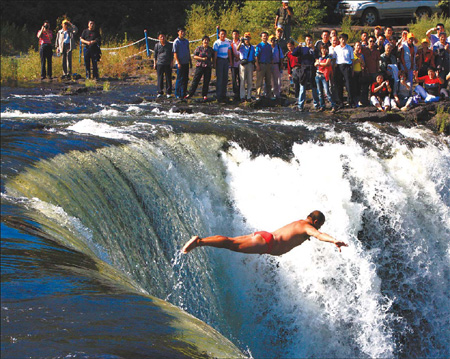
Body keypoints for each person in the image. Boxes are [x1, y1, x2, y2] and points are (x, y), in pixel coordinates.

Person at [181, 210, 348, 256]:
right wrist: (333, 240)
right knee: (229, 244)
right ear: (316, 222)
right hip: (267, 243)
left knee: (230, 242)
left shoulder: (300, 222)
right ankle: (200, 242)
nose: (318, 229)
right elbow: (319, 235)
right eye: (319, 226)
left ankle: (201, 242)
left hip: (265, 238)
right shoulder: (307, 228)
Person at [292, 34, 320, 111]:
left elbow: (318, 56)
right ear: (305, 40)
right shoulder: (302, 49)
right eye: (307, 40)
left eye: (310, 40)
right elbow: (293, 53)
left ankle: (316, 104)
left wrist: (314, 49)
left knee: (314, 87)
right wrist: (298, 47)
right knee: (302, 86)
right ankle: (300, 105)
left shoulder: (314, 49)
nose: (308, 41)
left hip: (312, 68)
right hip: (304, 69)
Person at [186, 35, 214, 100]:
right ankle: (190, 93)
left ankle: (204, 94)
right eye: (205, 40)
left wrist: (213, 64)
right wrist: (202, 58)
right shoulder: (199, 48)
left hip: (208, 66)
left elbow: (213, 57)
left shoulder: (210, 49)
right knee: (196, 80)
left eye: (207, 40)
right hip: (200, 65)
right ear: (202, 41)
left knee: (206, 81)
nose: (206, 41)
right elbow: (194, 56)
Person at [333, 33, 354, 108]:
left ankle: (350, 102)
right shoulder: (336, 48)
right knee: (339, 85)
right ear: (339, 39)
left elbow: (352, 60)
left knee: (348, 85)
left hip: (347, 66)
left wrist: (352, 69)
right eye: (341, 38)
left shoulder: (350, 48)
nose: (343, 40)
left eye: (344, 38)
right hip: (339, 66)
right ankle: (340, 102)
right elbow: (334, 59)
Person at [213, 29, 233, 103]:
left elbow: (229, 52)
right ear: (219, 35)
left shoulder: (227, 42)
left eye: (224, 34)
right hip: (220, 60)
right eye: (221, 34)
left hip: (225, 60)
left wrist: (230, 61)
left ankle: (224, 94)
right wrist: (214, 63)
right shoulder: (217, 43)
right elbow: (215, 53)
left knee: (225, 78)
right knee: (220, 78)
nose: (223, 35)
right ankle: (219, 95)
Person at [315, 44, 336, 112]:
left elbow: (327, 63)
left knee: (327, 92)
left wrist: (319, 63)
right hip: (318, 75)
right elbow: (315, 63)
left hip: (324, 75)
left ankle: (333, 105)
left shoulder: (329, 56)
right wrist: (319, 63)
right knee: (320, 92)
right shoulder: (319, 56)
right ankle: (322, 106)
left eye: (325, 49)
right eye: (322, 49)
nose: (323, 50)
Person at [173, 27, 192, 99]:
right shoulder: (176, 41)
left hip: (186, 62)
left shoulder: (186, 41)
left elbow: (188, 51)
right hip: (179, 63)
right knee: (179, 78)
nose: (182, 33)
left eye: (183, 31)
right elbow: (175, 53)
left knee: (185, 78)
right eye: (181, 32)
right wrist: (178, 62)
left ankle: (183, 93)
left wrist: (190, 61)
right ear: (178, 32)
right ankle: (177, 93)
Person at [361, 35, 381, 105]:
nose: (372, 43)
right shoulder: (364, 50)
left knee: (373, 87)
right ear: (368, 42)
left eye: (373, 41)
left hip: (374, 71)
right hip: (366, 72)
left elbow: (378, 62)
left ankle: (373, 101)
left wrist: (378, 71)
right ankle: (364, 101)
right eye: (370, 41)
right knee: (365, 88)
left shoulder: (377, 52)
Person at [153, 31, 173, 98]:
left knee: (168, 78)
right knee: (160, 78)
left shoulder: (170, 45)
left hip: (167, 63)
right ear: (158, 38)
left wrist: (171, 62)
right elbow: (155, 55)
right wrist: (154, 63)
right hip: (159, 63)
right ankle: (160, 92)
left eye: (163, 36)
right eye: (161, 36)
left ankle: (168, 92)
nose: (162, 37)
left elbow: (172, 55)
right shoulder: (157, 45)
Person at [255, 31, 274, 100]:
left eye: (266, 36)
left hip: (268, 65)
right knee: (259, 81)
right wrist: (257, 65)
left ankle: (268, 95)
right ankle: (257, 95)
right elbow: (256, 56)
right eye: (263, 36)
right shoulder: (259, 46)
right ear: (261, 37)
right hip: (261, 64)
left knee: (268, 81)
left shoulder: (269, 46)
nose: (265, 37)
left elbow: (271, 55)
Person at [237, 32, 255, 102]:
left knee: (250, 81)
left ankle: (249, 96)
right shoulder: (241, 46)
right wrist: (240, 42)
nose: (247, 39)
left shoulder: (252, 47)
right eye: (246, 38)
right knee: (242, 80)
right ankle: (242, 96)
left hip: (250, 64)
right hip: (243, 64)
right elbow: (237, 49)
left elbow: (254, 56)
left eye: (248, 38)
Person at [270, 34, 284, 99]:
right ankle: (269, 93)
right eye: (271, 40)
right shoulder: (267, 47)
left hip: (276, 64)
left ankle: (277, 93)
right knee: (269, 80)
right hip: (269, 65)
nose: (273, 41)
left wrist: (281, 64)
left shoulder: (278, 47)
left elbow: (281, 56)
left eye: (274, 40)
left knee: (277, 80)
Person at [352, 41, 365, 107]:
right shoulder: (352, 54)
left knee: (359, 88)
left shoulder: (361, 55)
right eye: (357, 45)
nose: (358, 47)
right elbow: (351, 64)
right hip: (353, 72)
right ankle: (354, 101)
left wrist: (361, 61)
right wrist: (357, 60)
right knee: (354, 87)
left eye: (359, 45)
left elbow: (363, 64)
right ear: (354, 46)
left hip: (359, 72)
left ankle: (359, 101)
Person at [230, 29, 241, 101]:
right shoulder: (230, 43)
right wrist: (234, 56)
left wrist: (239, 57)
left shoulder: (241, 42)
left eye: (236, 34)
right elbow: (230, 52)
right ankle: (235, 92)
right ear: (232, 35)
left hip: (240, 63)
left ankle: (240, 92)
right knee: (234, 78)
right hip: (233, 63)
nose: (235, 35)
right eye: (234, 34)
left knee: (240, 78)